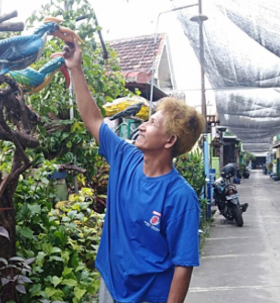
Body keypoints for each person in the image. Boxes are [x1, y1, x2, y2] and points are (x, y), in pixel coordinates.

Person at [62, 42, 205, 303]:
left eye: (151, 123)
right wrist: (75, 68)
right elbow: (93, 119)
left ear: (169, 140)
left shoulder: (181, 197)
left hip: (152, 297)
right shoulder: (125, 158)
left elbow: (183, 265)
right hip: (112, 285)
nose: (142, 126)